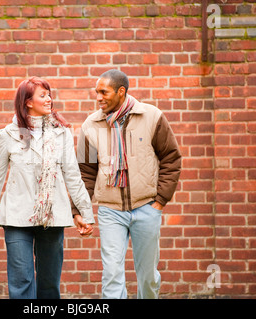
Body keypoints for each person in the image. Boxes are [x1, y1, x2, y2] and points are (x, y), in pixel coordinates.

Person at [0, 76, 95, 299]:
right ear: (28, 102)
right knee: (21, 281)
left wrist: (85, 213)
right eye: (43, 95)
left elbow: (73, 177)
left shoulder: (62, 134)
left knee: (49, 283)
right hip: (17, 217)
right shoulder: (7, 135)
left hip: (53, 216)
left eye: (49, 95)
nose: (49, 99)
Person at [72, 69, 181, 299]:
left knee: (148, 277)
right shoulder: (90, 125)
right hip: (110, 211)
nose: (98, 97)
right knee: (111, 275)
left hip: (146, 207)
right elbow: (85, 172)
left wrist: (160, 201)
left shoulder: (152, 116)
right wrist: (79, 210)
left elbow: (171, 159)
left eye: (104, 92)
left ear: (121, 92)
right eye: (96, 92)